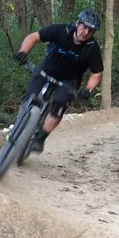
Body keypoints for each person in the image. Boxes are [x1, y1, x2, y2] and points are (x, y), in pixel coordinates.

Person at [13, 9, 104, 153]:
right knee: (28, 99)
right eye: (84, 27)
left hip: (69, 81)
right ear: (77, 23)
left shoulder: (92, 48)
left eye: (90, 30)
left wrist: (88, 89)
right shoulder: (61, 31)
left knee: (59, 107)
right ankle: (17, 127)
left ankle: (40, 139)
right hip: (46, 71)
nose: (86, 32)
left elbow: (96, 73)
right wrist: (23, 52)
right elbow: (34, 36)